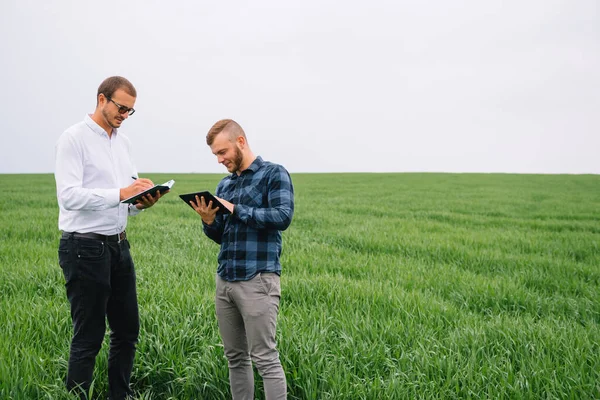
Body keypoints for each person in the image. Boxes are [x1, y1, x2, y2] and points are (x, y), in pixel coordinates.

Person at [55, 76, 166, 399]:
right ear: (101, 99)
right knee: (88, 335)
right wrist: (121, 192)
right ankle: (77, 396)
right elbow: (70, 197)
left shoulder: (123, 143)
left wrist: (141, 202)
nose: (124, 116)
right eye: (121, 108)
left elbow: (124, 204)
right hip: (83, 247)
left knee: (127, 330)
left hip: (119, 245)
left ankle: (121, 395)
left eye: (130, 111)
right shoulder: (73, 139)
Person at [190, 119, 294, 399]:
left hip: (258, 279)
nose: (220, 160)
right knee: (235, 358)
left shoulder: (274, 174)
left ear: (241, 142)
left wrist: (236, 209)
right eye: (215, 155)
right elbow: (221, 235)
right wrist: (209, 221)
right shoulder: (224, 185)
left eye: (222, 152)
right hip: (225, 280)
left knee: (265, 358)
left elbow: (282, 217)